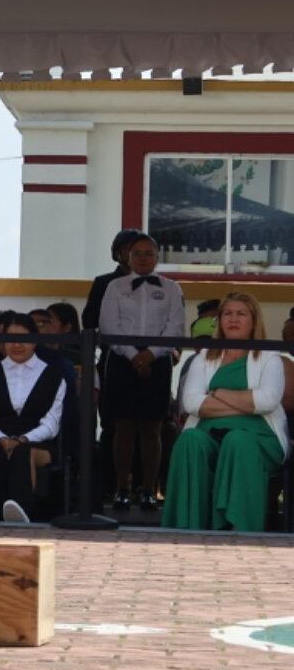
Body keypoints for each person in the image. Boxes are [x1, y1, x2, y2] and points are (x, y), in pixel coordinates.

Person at [164, 293, 287, 531]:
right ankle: (187, 527)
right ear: (219, 321)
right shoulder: (204, 358)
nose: (233, 319)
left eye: (241, 313)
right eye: (228, 314)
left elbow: (267, 401)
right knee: (189, 439)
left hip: (258, 438)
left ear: (254, 320)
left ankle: (238, 528)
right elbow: (191, 404)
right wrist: (244, 401)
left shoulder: (270, 358)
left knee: (237, 440)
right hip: (209, 434)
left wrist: (218, 393)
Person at [98, 233, 184, 512]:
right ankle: (122, 488)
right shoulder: (115, 286)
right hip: (122, 359)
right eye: (138, 253)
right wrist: (135, 356)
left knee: (152, 427)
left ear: (158, 257)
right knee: (123, 426)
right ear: (128, 257)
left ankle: (149, 489)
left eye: (149, 253)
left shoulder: (172, 288)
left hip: (158, 359)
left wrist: (151, 354)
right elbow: (109, 325)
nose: (143, 258)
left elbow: (175, 327)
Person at [0, 313, 67, 523]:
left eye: (23, 338)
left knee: (22, 452)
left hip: (39, 442)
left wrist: (23, 439)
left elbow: (51, 424)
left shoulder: (53, 374)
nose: (17, 344)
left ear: (34, 340)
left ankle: (22, 514)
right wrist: (2, 439)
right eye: (10, 338)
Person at [83, 228, 143, 331]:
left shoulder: (154, 282)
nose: (133, 253)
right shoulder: (103, 283)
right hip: (113, 342)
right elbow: (89, 321)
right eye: (127, 248)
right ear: (117, 252)